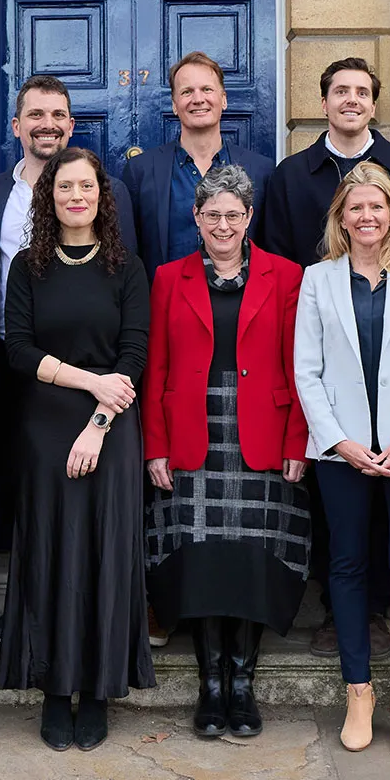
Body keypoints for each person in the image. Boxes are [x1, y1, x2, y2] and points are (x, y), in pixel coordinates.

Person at [258, 56, 390, 663]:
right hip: (323, 345)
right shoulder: (290, 177)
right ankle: (339, 612)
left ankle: (383, 610)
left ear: (374, 101)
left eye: (362, 92)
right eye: (340, 91)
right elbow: (285, 268)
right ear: (324, 100)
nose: (351, 100)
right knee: (335, 513)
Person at [142, 165, 309, 741]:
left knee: (251, 560)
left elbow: (299, 366)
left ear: (249, 217)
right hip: (193, 431)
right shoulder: (169, 277)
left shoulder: (286, 276)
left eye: (233, 214)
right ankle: (210, 684)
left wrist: (297, 443)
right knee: (205, 558)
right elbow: (156, 366)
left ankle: (244, 682)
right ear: (196, 217)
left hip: (261, 430)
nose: (222, 224)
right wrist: (155, 447)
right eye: (211, 214)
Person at [293, 162, 390, 758]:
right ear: (341, 216)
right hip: (344, 451)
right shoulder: (318, 279)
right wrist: (338, 441)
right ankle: (358, 692)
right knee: (348, 566)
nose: (367, 216)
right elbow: (306, 370)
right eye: (355, 207)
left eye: (377, 207)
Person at [0, 147, 154, 751]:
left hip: (110, 427)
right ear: (49, 196)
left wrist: (98, 422)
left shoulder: (127, 268)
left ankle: (96, 691)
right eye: (65, 187)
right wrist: (87, 381)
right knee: (51, 553)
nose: (76, 197)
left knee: (104, 555)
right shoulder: (26, 267)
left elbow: (133, 356)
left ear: (101, 195)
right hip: (43, 426)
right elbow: (18, 350)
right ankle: (55, 690)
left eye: (86, 187)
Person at [0, 75, 136, 634]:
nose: (47, 123)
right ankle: (34, 618)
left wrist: (102, 401)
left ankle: (95, 635)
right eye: (35, 114)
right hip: (19, 373)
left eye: (58, 114)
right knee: (32, 503)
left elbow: (129, 331)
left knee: (98, 522)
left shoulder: (119, 243)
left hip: (108, 397)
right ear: (16, 125)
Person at [122, 51, 274, 281]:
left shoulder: (260, 170)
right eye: (186, 92)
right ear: (175, 105)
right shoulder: (140, 170)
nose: (198, 99)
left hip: (241, 309)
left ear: (223, 99)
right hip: (167, 307)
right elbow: (129, 253)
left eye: (207, 89)